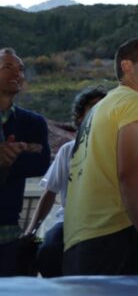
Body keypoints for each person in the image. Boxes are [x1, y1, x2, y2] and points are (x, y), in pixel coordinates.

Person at [62, 36, 138, 276]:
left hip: (78, 237)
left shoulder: (100, 108)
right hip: (113, 232)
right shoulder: (136, 101)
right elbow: (129, 174)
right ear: (127, 66)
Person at [22, 86, 106, 277]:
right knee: (48, 252)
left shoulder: (119, 150)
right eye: (93, 107)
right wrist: (31, 230)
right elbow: (49, 192)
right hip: (70, 222)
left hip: (107, 222)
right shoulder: (69, 150)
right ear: (80, 117)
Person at [0, 47, 50, 276]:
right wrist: (21, 151)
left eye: (21, 69)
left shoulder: (33, 123)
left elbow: (41, 163)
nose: (17, 73)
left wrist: (6, 161)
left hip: (8, 233)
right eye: (8, 66)